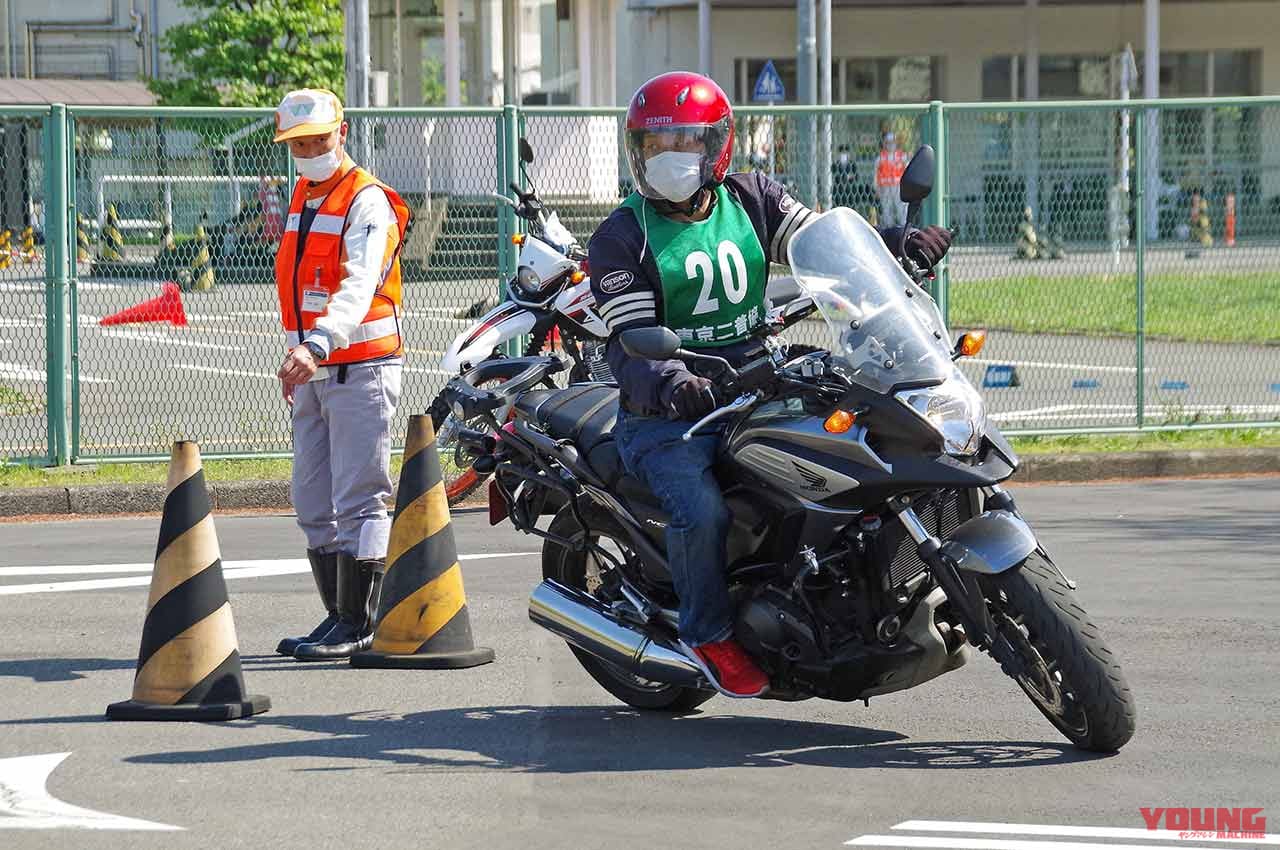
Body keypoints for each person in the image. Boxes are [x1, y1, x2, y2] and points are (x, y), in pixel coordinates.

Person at [588, 72, 952, 697]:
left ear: (716, 146)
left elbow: (819, 247)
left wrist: (895, 245)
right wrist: (674, 379)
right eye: (653, 144)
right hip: (669, 415)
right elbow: (630, 341)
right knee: (699, 508)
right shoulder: (620, 237)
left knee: (852, 452)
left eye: (682, 141)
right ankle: (708, 632)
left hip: (757, 378)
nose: (666, 156)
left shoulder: (752, 197)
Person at [271, 89, 412, 660]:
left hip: (361, 365)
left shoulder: (367, 201)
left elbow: (357, 286)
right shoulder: (303, 194)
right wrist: (297, 355)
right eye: (298, 144)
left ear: (343, 133)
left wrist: (315, 347)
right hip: (314, 368)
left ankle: (358, 622)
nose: (308, 151)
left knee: (360, 498)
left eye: (318, 141)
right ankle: (336, 616)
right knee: (311, 501)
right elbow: (301, 289)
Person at [876, 131, 909, 228]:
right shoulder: (880, 158)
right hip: (885, 188)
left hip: (899, 187)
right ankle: (888, 230)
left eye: (892, 142)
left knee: (901, 210)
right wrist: (876, 188)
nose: (890, 145)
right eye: (888, 142)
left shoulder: (902, 156)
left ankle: (904, 229)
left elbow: (908, 171)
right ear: (884, 143)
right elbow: (876, 174)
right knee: (887, 212)